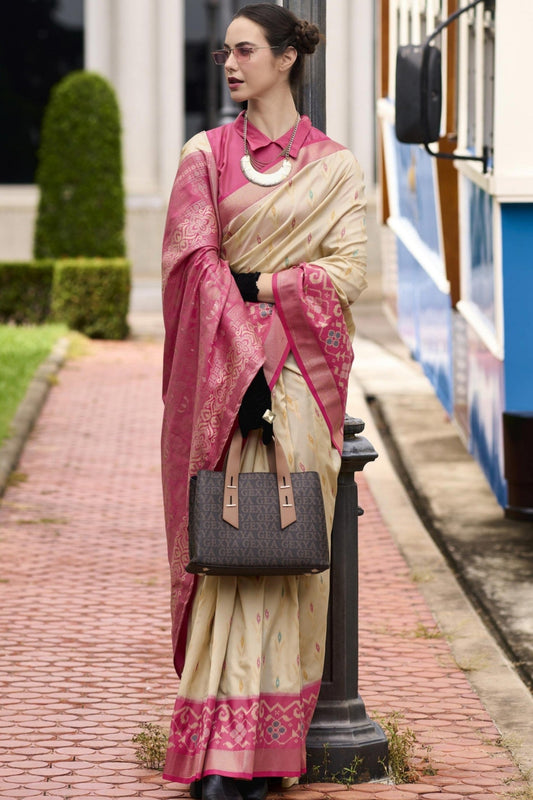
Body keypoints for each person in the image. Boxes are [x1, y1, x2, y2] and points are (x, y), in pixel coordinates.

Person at [161, 5, 367, 799]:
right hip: (227, 384)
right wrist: (244, 362)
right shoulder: (205, 156)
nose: (229, 64)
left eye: (244, 50)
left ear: (286, 59)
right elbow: (189, 261)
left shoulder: (336, 167)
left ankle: (268, 757)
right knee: (228, 562)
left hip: (304, 388)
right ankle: (221, 755)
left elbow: (348, 274)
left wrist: (264, 286)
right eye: (225, 52)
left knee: (285, 563)